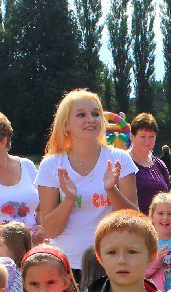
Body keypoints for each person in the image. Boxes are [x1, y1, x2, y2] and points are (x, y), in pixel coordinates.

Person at [37, 89, 139, 276]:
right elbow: (50, 229)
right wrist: (69, 199)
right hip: (66, 265)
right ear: (66, 125)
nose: (90, 119)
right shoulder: (51, 164)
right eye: (81, 115)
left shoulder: (120, 159)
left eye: (95, 114)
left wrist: (111, 190)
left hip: (113, 263)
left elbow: (134, 220)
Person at [129, 113, 171, 214]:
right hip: (133, 225)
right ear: (132, 136)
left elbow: (167, 196)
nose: (147, 141)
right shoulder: (123, 162)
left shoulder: (160, 165)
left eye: (151, 136)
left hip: (159, 225)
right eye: (143, 136)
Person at [145, 193, 171, 291]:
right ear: (152, 217)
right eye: (160, 213)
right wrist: (157, 260)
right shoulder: (146, 243)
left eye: (170, 214)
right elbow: (142, 274)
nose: (165, 218)